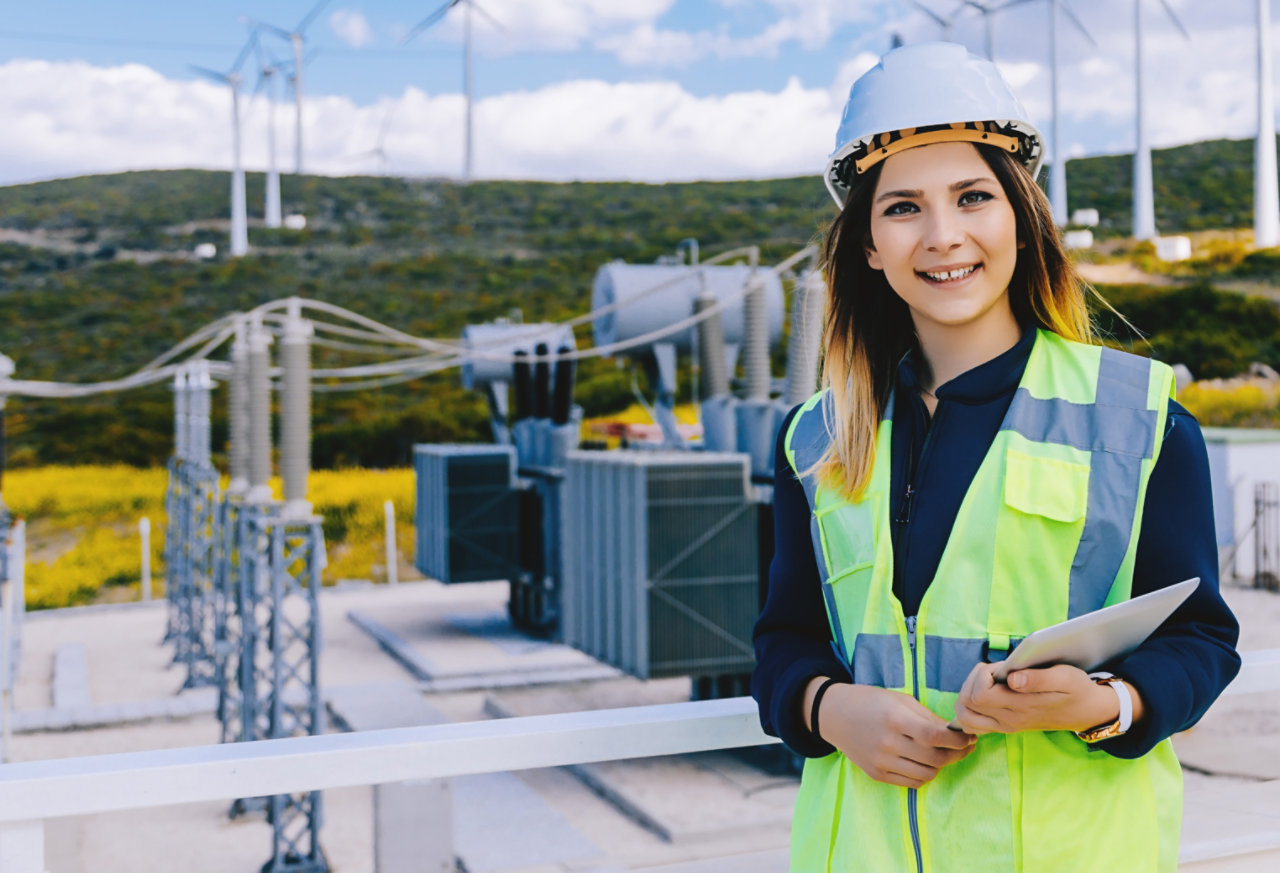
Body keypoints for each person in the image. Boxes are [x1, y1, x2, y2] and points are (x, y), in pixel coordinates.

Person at [751, 42, 1241, 873]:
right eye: (903, 207)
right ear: (868, 243)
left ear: (1020, 215)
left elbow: (1201, 639)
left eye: (973, 197)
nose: (944, 236)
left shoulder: (1141, 422)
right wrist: (830, 710)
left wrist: (1106, 701)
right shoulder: (816, 439)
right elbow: (783, 641)